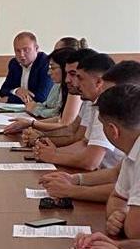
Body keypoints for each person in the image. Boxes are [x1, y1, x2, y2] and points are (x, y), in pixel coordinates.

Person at [39, 61, 140, 202]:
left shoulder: (116, 118)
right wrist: (75, 179)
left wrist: (72, 190)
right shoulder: (104, 110)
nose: (103, 98)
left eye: (109, 92)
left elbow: (91, 162)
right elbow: (116, 174)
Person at [33, 53, 123, 170]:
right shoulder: (92, 103)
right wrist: (53, 151)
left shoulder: (107, 107)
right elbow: (84, 143)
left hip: (107, 175)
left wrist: (54, 156)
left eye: (79, 78)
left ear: (98, 82)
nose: (74, 82)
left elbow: (91, 162)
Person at [4, 48, 95, 136]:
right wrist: (29, 124)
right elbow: (60, 119)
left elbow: (65, 125)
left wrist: (33, 126)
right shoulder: (64, 87)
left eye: (52, 68)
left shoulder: (76, 92)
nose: (49, 72)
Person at [100, 84, 140, 239]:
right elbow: (117, 197)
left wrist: (126, 221)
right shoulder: (132, 151)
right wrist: (119, 214)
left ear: (113, 130)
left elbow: (135, 231)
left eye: (102, 125)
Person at [0, 31, 52, 104]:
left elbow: (41, 97)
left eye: (26, 50)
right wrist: (16, 91)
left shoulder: (46, 63)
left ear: (36, 49)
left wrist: (9, 99)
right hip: (18, 109)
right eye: (17, 51)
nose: (21, 55)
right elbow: (3, 91)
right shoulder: (14, 63)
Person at [23, 48, 77, 119]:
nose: (49, 73)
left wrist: (35, 110)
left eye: (52, 68)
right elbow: (47, 105)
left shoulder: (74, 89)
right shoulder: (57, 85)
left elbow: (58, 115)